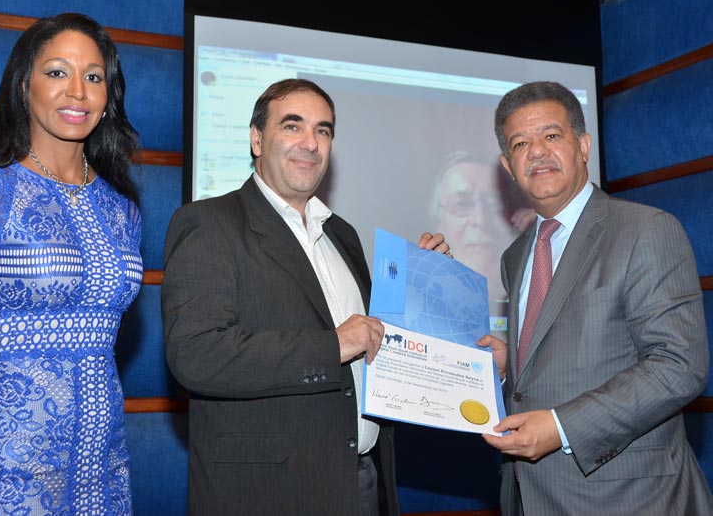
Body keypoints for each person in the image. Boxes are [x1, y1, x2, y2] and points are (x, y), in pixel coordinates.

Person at [162, 78, 449, 516]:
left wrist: (421, 289)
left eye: (323, 130)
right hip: (270, 494)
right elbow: (196, 355)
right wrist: (332, 346)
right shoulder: (210, 223)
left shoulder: (342, 234)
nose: (311, 143)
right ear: (257, 139)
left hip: (364, 481)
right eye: (292, 126)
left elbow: (371, 344)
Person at [0, 13, 143, 515]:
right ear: (24, 86)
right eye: (57, 72)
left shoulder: (122, 208)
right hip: (2, 481)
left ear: (108, 96)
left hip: (103, 478)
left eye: (93, 77)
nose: (77, 91)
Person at [477, 81, 713, 515]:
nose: (537, 151)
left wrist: (561, 426)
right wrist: (511, 367)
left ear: (583, 146)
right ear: (508, 166)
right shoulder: (515, 256)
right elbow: (561, 354)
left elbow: (679, 365)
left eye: (551, 135)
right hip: (531, 497)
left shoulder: (645, 229)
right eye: (520, 143)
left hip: (629, 500)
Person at [428, 150, 534, 306]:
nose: (481, 219)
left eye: (495, 205)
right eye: (461, 204)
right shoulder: (416, 304)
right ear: (437, 222)